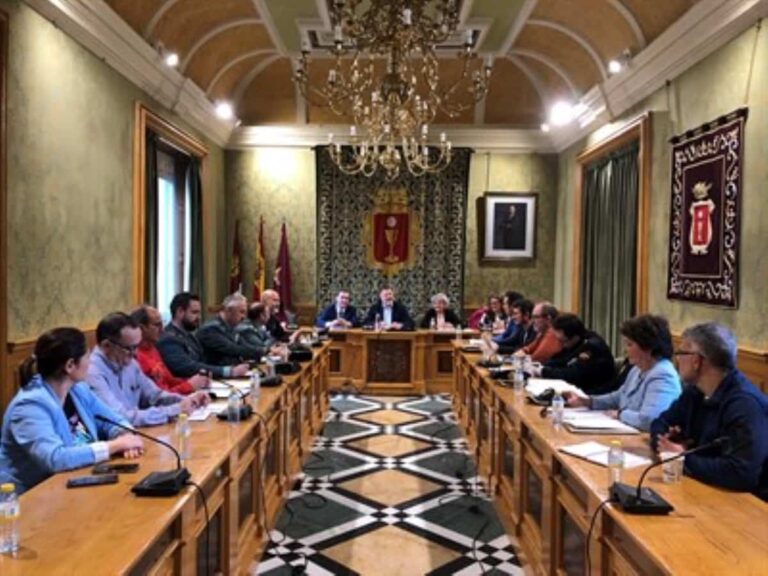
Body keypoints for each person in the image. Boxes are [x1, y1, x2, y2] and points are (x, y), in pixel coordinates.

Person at [0, 328, 145, 494]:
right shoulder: (29, 406)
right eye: (87, 357)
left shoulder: (78, 390)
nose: (90, 363)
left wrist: (123, 436)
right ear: (70, 365)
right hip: (29, 498)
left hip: (77, 483)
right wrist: (115, 445)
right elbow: (55, 459)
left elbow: (114, 419)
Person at [650, 323, 768, 500]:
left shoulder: (744, 405)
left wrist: (682, 457)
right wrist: (669, 443)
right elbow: (659, 423)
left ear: (696, 361)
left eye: (681, 353)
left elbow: (742, 473)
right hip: (704, 487)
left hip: (748, 503)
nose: (676, 360)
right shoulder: (695, 392)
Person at [88, 312, 209, 427]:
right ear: (106, 346)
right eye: (130, 348)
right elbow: (119, 417)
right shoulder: (92, 373)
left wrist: (190, 400)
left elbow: (155, 396)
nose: (135, 353)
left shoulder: (129, 363)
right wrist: (175, 410)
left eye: (137, 346)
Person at [564, 315, 681, 431]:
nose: (625, 350)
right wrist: (588, 401)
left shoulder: (663, 375)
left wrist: (620, 414)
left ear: (648, 347)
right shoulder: (637, 369)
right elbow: (619, 396)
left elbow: (650, 419)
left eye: (630, 344)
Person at [158, 292, 250, 379]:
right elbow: (187, 367)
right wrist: (228, 371)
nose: (199, 317)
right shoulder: (168, 339)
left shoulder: (190, 336)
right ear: (180, 311)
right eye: (194, 312)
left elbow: (203, 362)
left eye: (199, 313)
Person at [132, 305, 210, 395]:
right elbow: (158, 396)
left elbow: (170, 380)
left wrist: (197, 381)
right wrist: (189, 385)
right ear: (142, 328)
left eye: (162, 323)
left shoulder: (153, 349)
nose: (162, 329)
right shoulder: (135, 357)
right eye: (157, 325)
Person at [530, 313, 616, 394]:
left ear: (575, 337)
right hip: (580, 389)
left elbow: (572, 375)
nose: (561, 344)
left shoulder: (591, 347)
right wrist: (541, 366)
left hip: (594, 393)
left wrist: (543, 371)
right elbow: (562, 359)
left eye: (562, 341)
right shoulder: (575, 341)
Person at [197, 293, 265, 366]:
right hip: (215, 371)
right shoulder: (210, 329)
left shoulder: (231, 326)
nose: (244, 317)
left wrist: (263, 350)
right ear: (229, 310)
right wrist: (264, 351)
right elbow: (233, 349)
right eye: (241, 312)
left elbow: (244, 345)